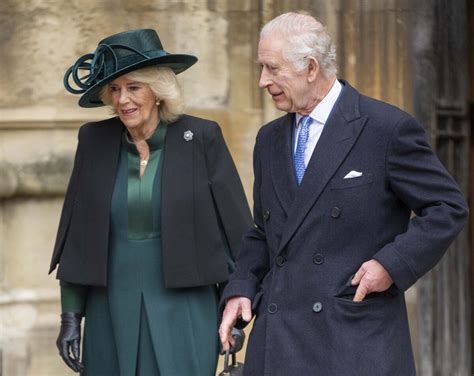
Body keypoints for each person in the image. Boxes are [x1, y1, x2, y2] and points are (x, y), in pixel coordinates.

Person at [218, 12, 469, 375]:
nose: (262, 81)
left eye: (272, 68)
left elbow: (447, 206)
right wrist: (241, 288)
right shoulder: (268, 139)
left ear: (310, 67)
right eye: (262, 67)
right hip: (278, 340)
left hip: (351, 339)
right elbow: (265, 231)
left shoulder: (386, 128)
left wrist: (390, 264)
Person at [49, 28, 252, 375]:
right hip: (109, 308)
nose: (123, 100)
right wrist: (71, 315)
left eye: (133, 87)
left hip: (186, 310)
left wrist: (235, 305)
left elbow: (236, 233)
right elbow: (78, 236)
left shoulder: (201, 138)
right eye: (114, 89)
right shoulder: (94, 141)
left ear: (157, 91)